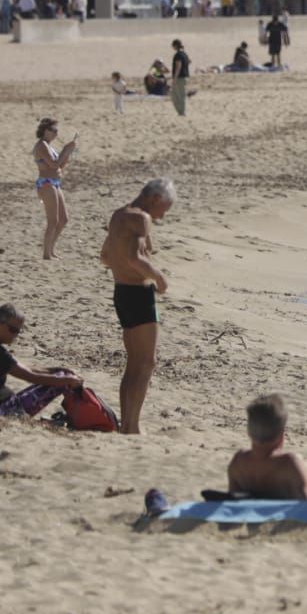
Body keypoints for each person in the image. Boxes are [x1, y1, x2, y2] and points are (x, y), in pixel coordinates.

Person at [100, 178, 175, 434]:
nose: (163, 215)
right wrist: (159, 277)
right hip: (139, 294)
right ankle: (132, 426)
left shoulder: (118, 215)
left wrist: (126, 266)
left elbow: (105, 257)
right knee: (147, 362)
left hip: (121, 292)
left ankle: (126, 423)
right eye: (165, 207)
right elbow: (134, 258)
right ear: (154, 199)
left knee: (134, 363)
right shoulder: (141, 218)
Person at [0, 304, 82, 416]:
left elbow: (27, 369)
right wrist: (69, 380)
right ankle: (80, 414)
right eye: (13, 330)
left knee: (62, 375)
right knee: (62, 382)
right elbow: (31, 376)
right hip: (3, 411)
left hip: (3, 405)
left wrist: (58, 370)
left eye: (18, 331)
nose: (15, 335)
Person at [227, 395, 307, 500]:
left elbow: (233, 501)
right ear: (282, 436)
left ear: (249, 433)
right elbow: (305, 503)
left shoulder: (238, 463)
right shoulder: (289, 464)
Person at [33, 117, 77, 260]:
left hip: (55, 182)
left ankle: (51, 250)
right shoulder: (41, 146)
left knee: (63, 219)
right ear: (45, 130)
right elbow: (53, 165)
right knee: (53, 220)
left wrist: (68, 153)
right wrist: (65, 149)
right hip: (46, 183)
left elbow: (59, 167)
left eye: (57, 131)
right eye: (54, 130)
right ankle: (46, 253)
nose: (56, 134)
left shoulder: (49, 146)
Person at [169, 39, 191, 117]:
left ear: (175, 46)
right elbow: (189, 61)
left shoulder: (178, 55)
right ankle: (181, 112)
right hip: (184, 76)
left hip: (180, 78)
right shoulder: (184, 54)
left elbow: (178, 66)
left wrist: (174, 78)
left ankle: (182, 112)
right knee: (177, 95)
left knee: (179, 95)